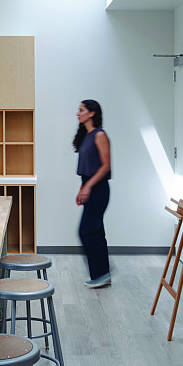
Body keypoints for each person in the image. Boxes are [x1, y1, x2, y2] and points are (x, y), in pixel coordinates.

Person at [73, 99, 111, 288]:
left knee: (86, 231)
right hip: (89, 187)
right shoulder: (86, 135)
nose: (77, 113)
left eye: (81, 110)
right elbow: (87, 168)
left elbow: (105, 166)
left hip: (99, 189)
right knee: (96, 231)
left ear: (91, 113)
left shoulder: (100, 135)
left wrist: (88, 187)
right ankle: (102, 274)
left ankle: (101, 274)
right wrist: (82, 188)